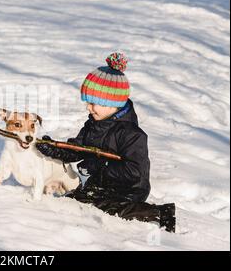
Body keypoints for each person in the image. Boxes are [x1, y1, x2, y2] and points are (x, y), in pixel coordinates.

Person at [36, 52, 176, 232]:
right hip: (100, 184)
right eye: (87, 102)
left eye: (93, 103)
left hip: (128, 189)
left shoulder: (132, 134)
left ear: (112, 103)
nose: (88, 107)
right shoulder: (93, 124)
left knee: (108, 209)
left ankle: (160, 213)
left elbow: (135, 171)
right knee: (75, 202)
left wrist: (101, 168)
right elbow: (78, 149)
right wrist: (54, 148)